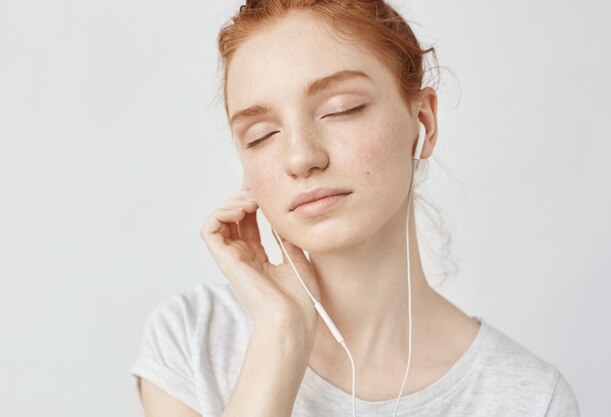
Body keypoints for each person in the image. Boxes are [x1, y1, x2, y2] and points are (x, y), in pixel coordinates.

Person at [130, 1, 581, 416]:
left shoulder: (529, 398)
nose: (301, 158)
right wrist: (281, 335)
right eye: (261, 135)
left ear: (422, 122)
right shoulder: (194, 340)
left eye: (341, 109)